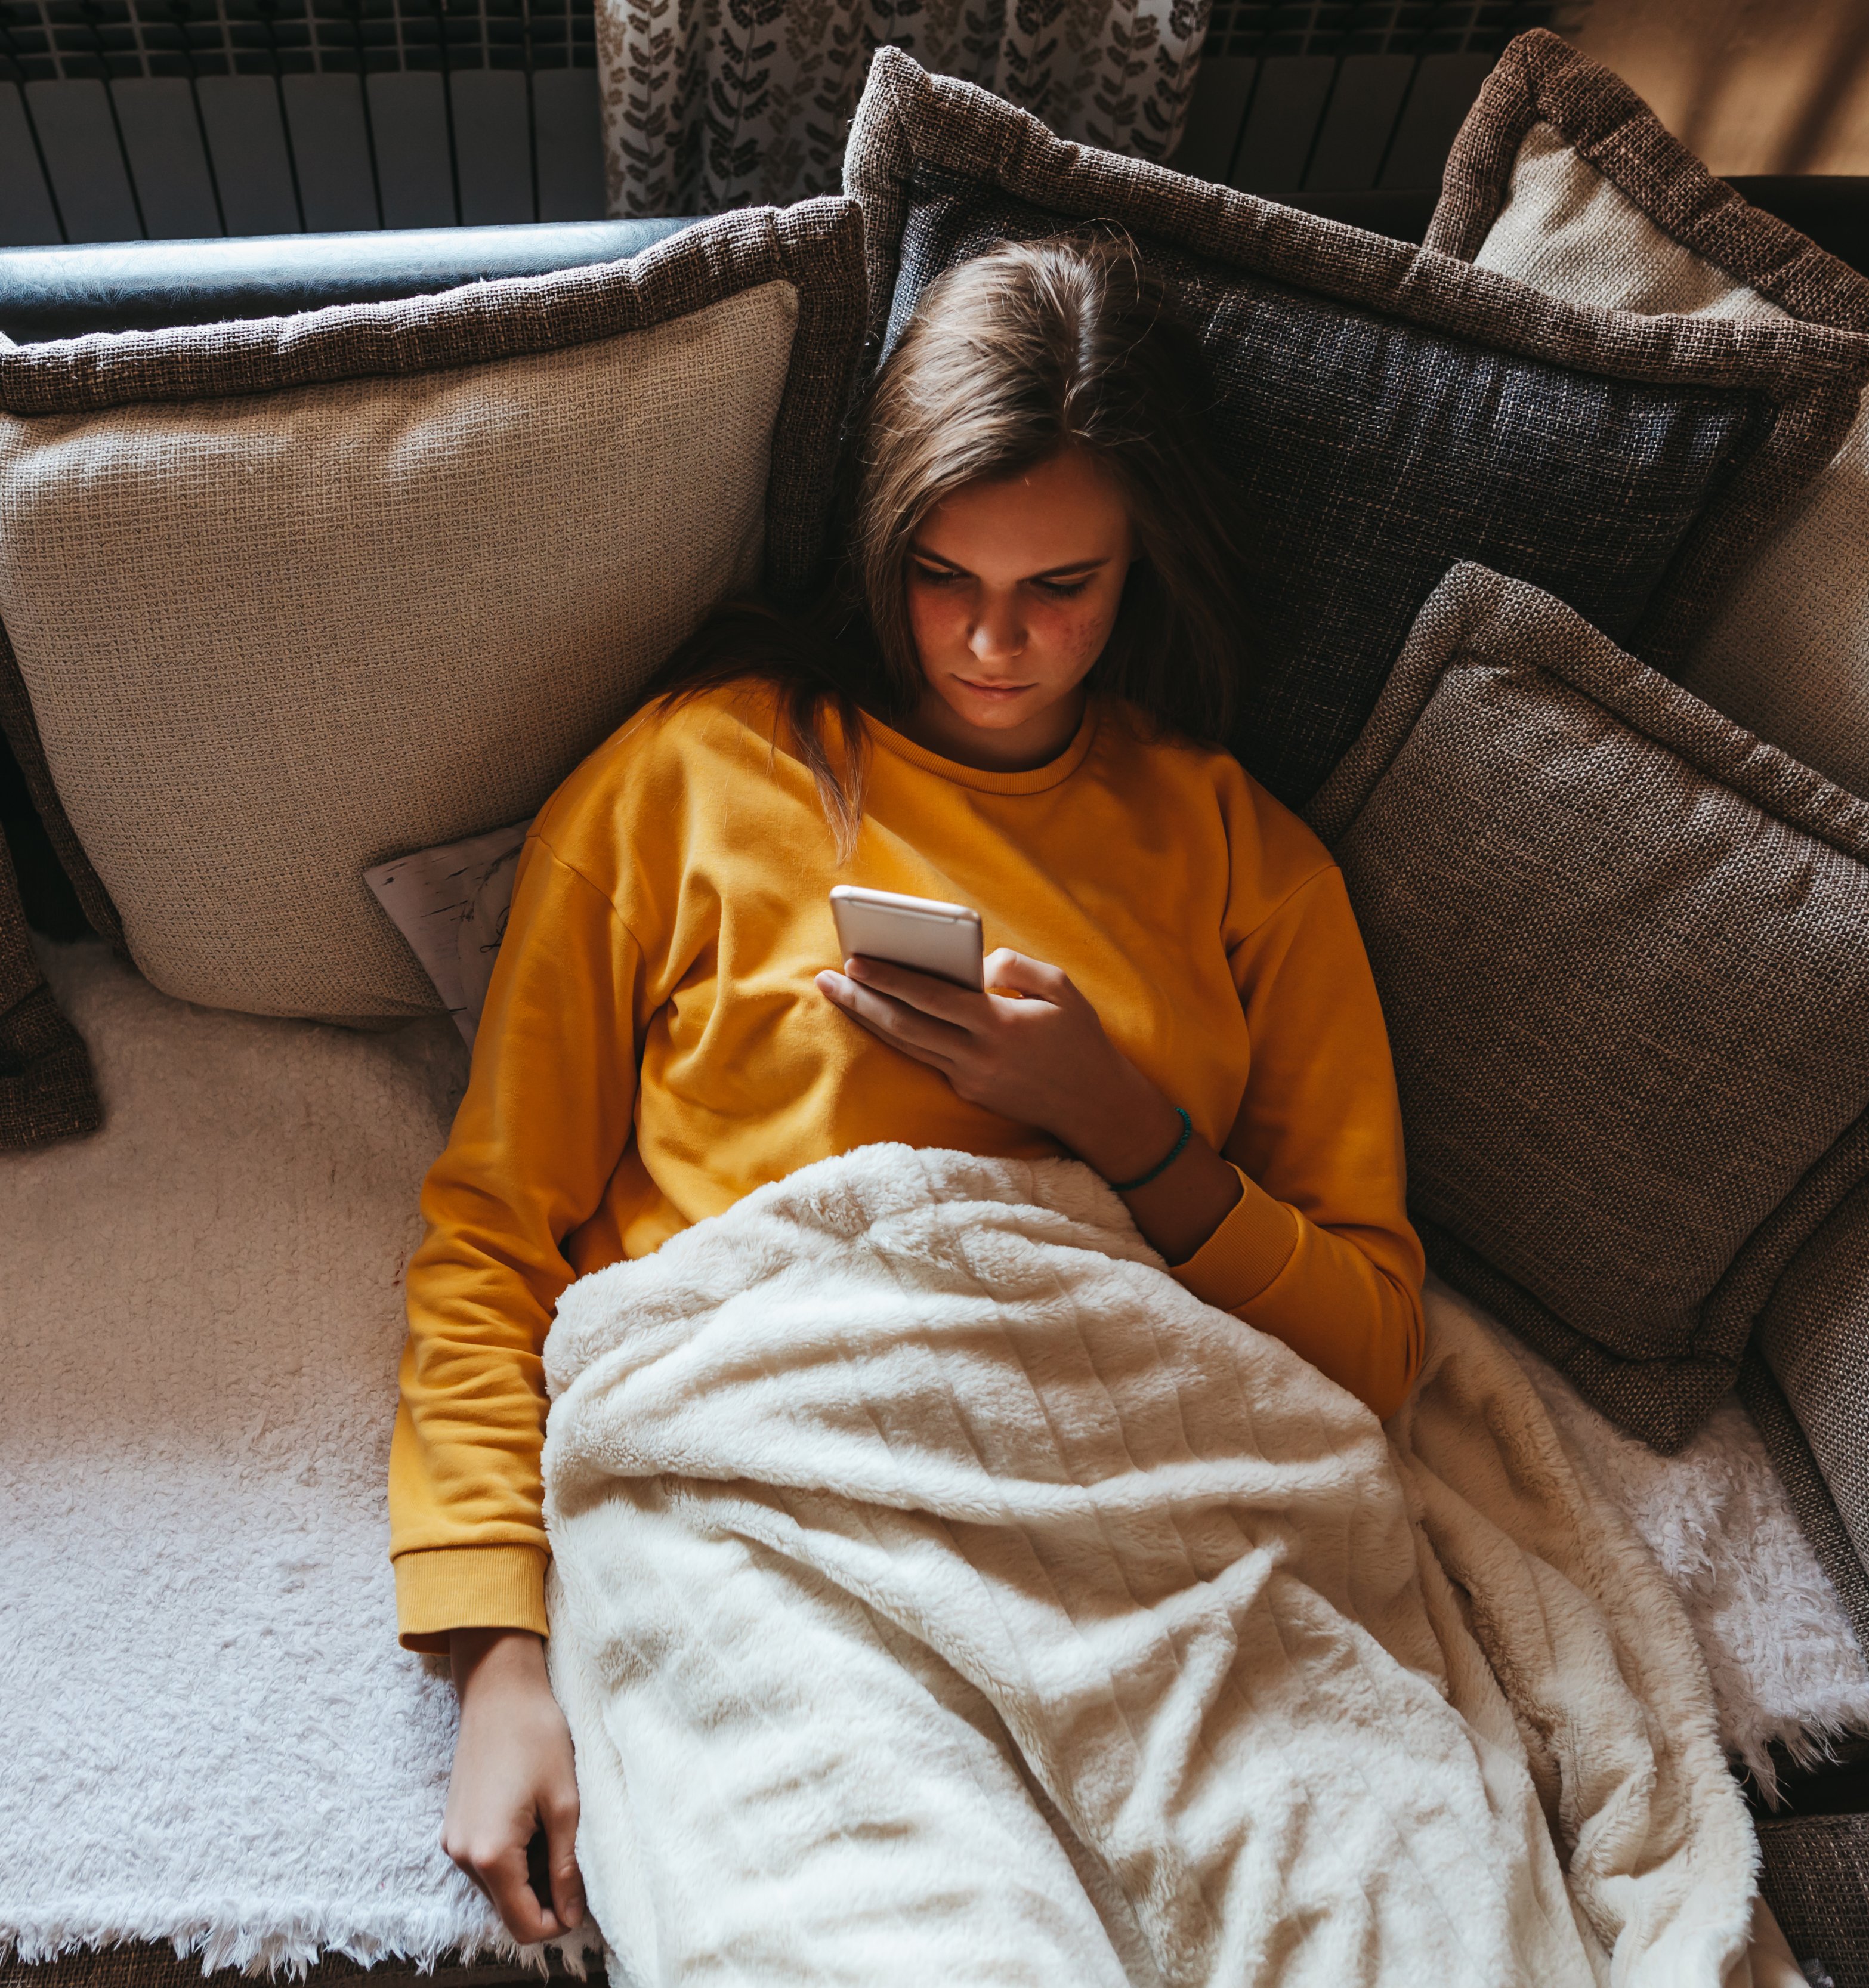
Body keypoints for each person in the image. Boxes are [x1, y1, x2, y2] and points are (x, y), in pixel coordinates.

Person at [390, 235, 1426, 1946]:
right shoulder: (686, 779)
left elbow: (1375, 1350)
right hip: (773, 1478)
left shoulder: (1247, 858)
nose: (995, 645)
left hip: (1144, 1510)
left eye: (1062, 590)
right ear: (882, 540)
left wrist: (1127, 1128)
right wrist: (500, 1656)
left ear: (1143, 570)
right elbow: (492, 1233)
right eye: (943, 576)